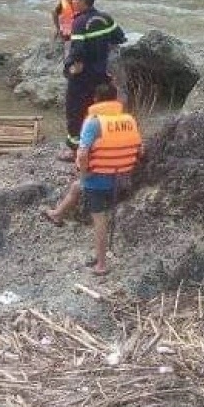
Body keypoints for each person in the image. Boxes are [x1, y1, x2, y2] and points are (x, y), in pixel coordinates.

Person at [43, 83, 142, 276]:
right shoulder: (129, 120)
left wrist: (84, 173)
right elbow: (140, 149)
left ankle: (101, 265)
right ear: (116, 100)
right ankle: (57, 214)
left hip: (99, 180)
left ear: (95, 99)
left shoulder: (93, 122)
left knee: (99, 218)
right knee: (77, 187)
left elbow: (82, 154)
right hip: (123, 178)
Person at [61, 0, 126, 161]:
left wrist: (68, 67)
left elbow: (77, 50)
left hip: (83, 76)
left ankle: (75, 149)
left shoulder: (79, 22)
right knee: (98, 109)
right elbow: (120, 37)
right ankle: (101, 143)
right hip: (102, 75)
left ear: (83, 2)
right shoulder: (106, 18)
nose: (73, 2)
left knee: (75, 110)